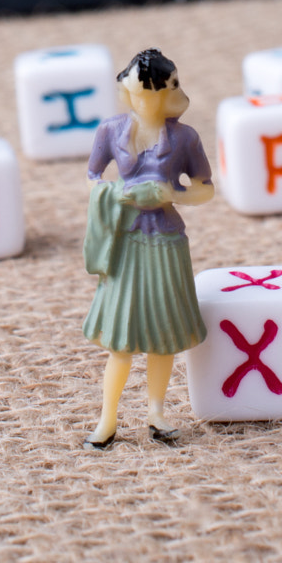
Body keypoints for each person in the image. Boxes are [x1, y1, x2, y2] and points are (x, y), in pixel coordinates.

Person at [81, 48, 214, 448]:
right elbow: (92, 176)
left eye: (173, 83)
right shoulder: (110, 131)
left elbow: (205, 190)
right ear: (134, 93)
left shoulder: (185, 137)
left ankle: (157, 414)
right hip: (124, 244)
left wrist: (171, 193)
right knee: (120, 338)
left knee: (163, 334)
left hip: (167, 242)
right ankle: (107, 419)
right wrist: (118, 194)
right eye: (162, 86)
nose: (171, 92)